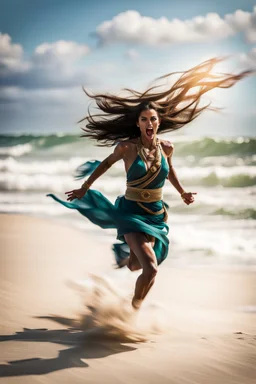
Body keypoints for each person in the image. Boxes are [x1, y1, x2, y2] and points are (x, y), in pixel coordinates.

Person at [47, 57, 252, 310]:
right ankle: (132, 312)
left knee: (136, 266)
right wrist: (84, 187)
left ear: (158, 122)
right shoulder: (126, 148)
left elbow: (170, 172)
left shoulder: (167, 147)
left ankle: (124, 258)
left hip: (155, 216)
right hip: (131, 214)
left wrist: (182, 192)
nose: (149, 124)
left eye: (153, 119)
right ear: (138, 123)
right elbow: (105, 164)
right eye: (144, 119)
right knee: (151, 269)